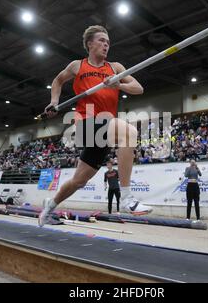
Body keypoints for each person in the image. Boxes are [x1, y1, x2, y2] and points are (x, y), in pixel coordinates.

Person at [38, 25, 152, 227]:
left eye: (108, 42)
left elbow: (138, 88)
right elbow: (57, 81)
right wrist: (54, 102)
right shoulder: (77, 66)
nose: (106, 45)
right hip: (86, 123)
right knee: (130, 132)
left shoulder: (115, 68)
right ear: (90, 44)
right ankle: (126, 197)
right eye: (101, 40)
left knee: (79, 181)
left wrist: (119, 85)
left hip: (105, 129)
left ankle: (50, 206)